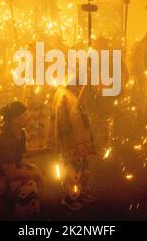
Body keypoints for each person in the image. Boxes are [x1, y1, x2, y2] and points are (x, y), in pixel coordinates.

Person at [0, 101, 44, 219]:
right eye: (24, 115)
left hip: (6, 174)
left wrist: (37, 167)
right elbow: (10, 173)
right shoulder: (7, 139)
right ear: (15, 119)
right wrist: (36, 173)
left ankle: (12, 203)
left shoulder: (20, 133)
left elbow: (20, 160)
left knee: (33, 173)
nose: (28, 117)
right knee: (29, 187)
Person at [51, 83, 96, 211]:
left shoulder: (71, 93)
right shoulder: (63, 95)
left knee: (84, 170)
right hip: (71, 143)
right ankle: (70, 199)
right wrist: (69, 140)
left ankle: (81, 194)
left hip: (81, 140)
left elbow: (79, 109)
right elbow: (63, 122)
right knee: (72, 172)